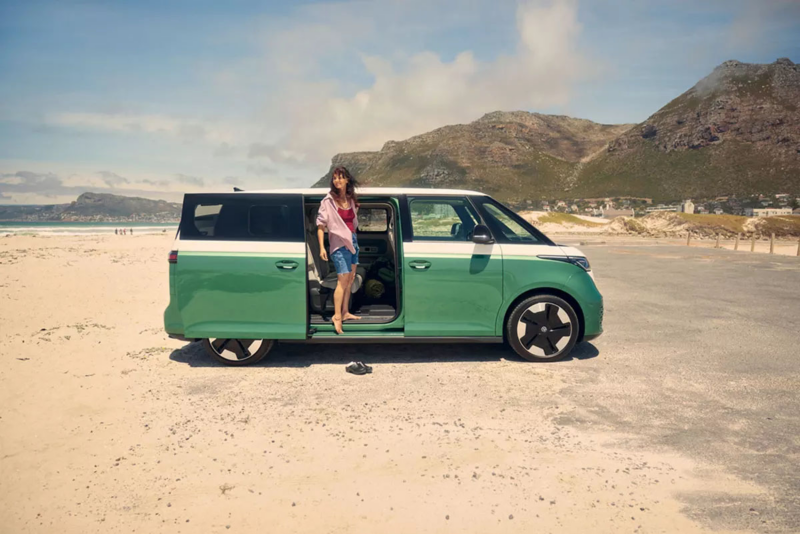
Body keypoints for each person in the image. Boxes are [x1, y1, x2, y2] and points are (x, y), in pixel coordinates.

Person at [316, 166, 362, 334]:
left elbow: (351, 222)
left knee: (350, 280)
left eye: (340, 177)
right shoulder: (328, 201)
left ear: (347, 180)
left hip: (353, 242)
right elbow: (321, 225)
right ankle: (336, 316)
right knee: (342, 282)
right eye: (335, 178)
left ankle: (345, 312)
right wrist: (322, 247)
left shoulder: (350, 200)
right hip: (339, 245)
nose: (337, 181)